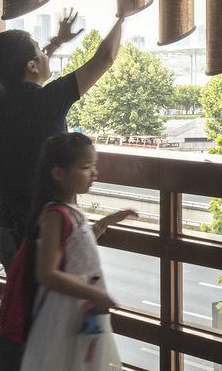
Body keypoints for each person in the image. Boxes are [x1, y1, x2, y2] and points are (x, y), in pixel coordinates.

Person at [0, 9, 124, 265]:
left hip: (9, 229)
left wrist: (55, 43)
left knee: (22, 301)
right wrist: (122, 16)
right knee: (53, 301)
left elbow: (24, 69)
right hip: (48, 229)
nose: (47, 54)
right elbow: (105, 57)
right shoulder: (49, 101)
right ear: (32, 65)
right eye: (40, 50)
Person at [18, 132, 136, 371]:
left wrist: (106, 222)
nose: (95, 173)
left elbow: (76, 249)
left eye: (94, 166)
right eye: (86, 167)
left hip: (80, 308)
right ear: (59, 173)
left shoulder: (71, 210)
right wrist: (95, 294)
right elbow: (47, 273)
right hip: (65, 310)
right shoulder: (55, 216)